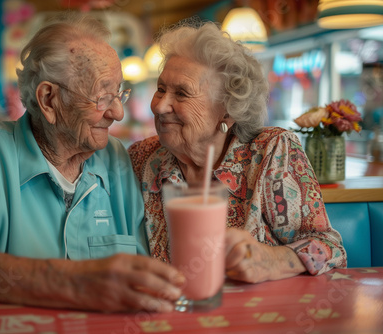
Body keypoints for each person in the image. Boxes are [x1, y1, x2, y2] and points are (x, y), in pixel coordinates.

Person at [0, 15, 183, 313]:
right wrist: (77, 283)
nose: (118, 113)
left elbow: (141, 277)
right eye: (103, 97)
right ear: (48, 99)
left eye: (119, 93)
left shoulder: (116, 158)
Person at [128, 21, 347, 284]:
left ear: (228, 110)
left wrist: (272, 261)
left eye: (182, 94)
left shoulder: (271, 152)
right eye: (161, 88)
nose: (160, 106)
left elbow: (331, 248)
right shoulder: (142, 159)